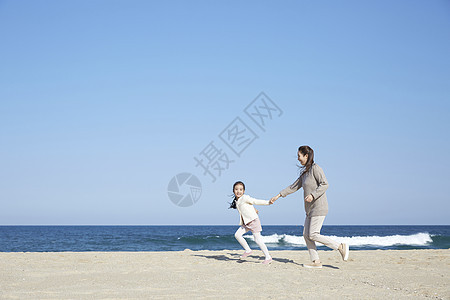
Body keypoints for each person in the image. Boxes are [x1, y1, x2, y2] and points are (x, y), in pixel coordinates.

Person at [270, 146, 349, 269]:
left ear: (306, 156)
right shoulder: (305, 173)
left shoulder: (315, 169)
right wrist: (278, 196)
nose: (298, 159)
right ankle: (316, 261)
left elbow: (325, 184)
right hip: (309, 209)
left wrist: (313, 195)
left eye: (299, 156)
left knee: (313, 234)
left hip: (319, 207)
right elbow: (293, 186)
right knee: (306, 235)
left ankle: (340, 246)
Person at [229, 181, 273, 264]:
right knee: (237, 235)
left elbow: (255, 201)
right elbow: (247, 207)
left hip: (253, 221)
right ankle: (248, 250)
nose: (238, 191)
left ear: (244, 191)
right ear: (233, 191)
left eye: (241, 189)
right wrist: (253, 209)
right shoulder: (237, 201)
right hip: (246, 223)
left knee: (258, 240)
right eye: (236, 189)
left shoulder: (245, 197)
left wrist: (268, 202)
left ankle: (268, 257)